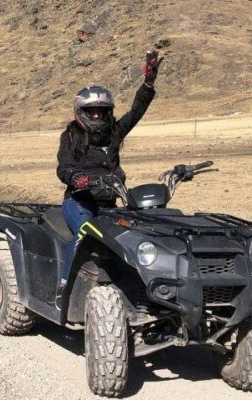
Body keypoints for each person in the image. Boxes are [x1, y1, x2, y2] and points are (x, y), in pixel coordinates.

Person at [55, 50, 164, 306]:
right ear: (81, 112)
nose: (96, 116)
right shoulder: (70, 137)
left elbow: (136, 112)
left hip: (110, 205)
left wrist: (148, 85)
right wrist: (78, 178)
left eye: (101, 112)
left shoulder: (115, 133)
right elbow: (63, 168)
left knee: (138, 237)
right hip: (79, 203)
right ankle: (64, 287)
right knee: (85, 234)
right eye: (91, 112)